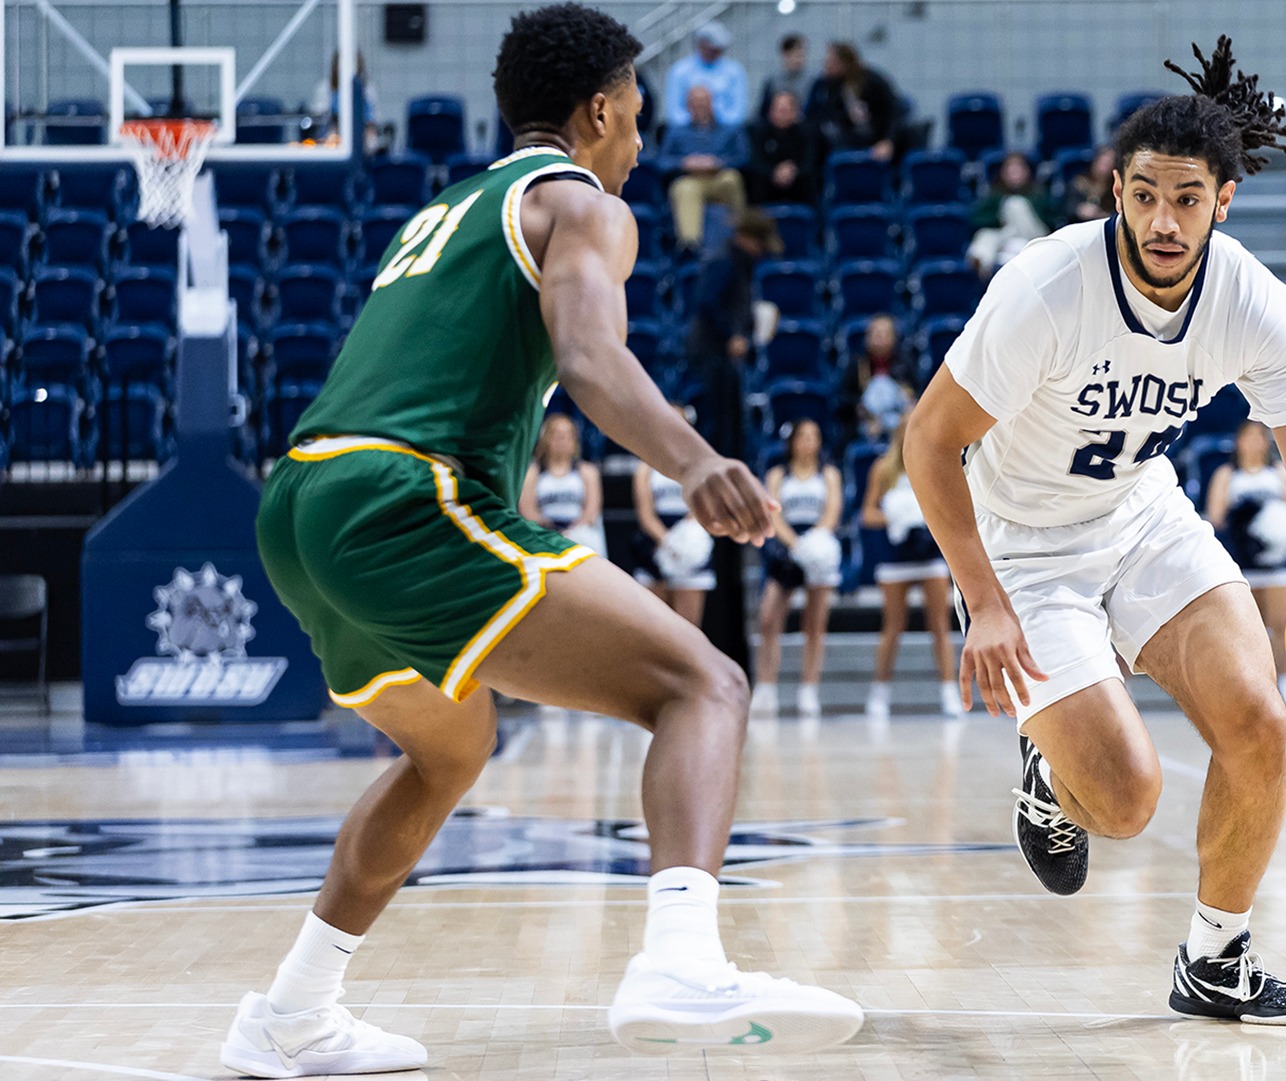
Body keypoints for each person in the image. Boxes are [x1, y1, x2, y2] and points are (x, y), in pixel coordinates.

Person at [226, 7, 862, 1074]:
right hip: (403, 492)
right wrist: (694, 459)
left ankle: (292, 1009)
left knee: (449, 751)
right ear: (601, 109)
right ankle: (680, 959)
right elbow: (589, 358)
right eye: (639, 119)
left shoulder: (447, 208)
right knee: (701, 684)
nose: (643, 145)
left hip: (300, 504)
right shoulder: (582, 203)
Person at [904, 36, 1286, 1025]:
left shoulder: (1255, 303)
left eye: (1186, 198)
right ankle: (1051, 772)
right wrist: (985, 600)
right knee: (1125, 803)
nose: (1163, 219)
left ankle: (1215, 961)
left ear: (1224, 200)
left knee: (1259, 721)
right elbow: (927, 442)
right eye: (1144, 194)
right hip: (1027, 547)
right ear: (1117, 190)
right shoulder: (1047, 288)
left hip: (1143, 517)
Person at [861, 409, 963, 720]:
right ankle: (879, 694)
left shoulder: (935, 464)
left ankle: (949, 693)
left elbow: (953, 507)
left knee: (940, 626)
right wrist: (896, 519)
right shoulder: (883, 469)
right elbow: (867, 514)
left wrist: (925, 522)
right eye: (905, 430)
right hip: (895, 557)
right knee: (893, 625)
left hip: (930, 554)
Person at [1204, 420, 1286, 713]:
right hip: (1242, 561)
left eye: (1258, 437)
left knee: (1280, 625)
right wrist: (1243, 520)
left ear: (1266, 442)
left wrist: (1269, 519)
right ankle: (1253, 689)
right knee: (1247, 630)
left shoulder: (1277, 473)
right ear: (1238, 442)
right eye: (1247, 437)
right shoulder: (1227, 474)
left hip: (1277, 561)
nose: (1253, 442)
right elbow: (1216, 515)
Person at [750, 419, 843, 722]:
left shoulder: (828, 474)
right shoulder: (778, 475)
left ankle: (808, 690)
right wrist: (795, 545)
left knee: (814, 625)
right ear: (791, 442)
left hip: (818, 549)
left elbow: (832, 512)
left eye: (814, 436)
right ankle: (765, 688)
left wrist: (814, 543)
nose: (808, 442)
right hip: (788, 551)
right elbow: (773, 516)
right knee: (767, 620)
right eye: (802, 436)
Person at [685, 210, 781, 455]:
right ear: (748, 239)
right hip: (712, 352)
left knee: (733, 423)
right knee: (720, 422)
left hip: (724, 355)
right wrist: (731, 335)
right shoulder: (724, 262)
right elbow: (707, 301)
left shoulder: (739, 264)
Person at [632, 455, 717, 625]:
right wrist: (668, 542)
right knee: (654, 627)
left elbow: (703, 506)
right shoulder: (645, 468)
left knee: (688, 627)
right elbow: (645, 514)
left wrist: (684, 542)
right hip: (655, 544)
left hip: (689, 542)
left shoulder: (698, 464)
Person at [661, 85, 748, 251]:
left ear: (712, 102)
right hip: (690, 180)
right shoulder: (675, 133)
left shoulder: (731, 131)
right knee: (684, 188)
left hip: (720, 179)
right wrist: (684, 163)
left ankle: (741, 235)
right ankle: (689, 246)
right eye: (695, 102)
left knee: (732, 178)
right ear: (688, 105)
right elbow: (662, 162)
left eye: (704, 101)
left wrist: (718, 163)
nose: (700, 105)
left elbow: (744, 159)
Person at [519, 413, 605, 556]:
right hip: (545, 531)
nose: (561, 440)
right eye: (556, 435)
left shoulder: (587, 471)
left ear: (574, 440)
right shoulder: (532, 473)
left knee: (586, 539)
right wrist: (554, 530)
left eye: (566, 435)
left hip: (579, 531)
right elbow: (528, 512)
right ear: (545, 439)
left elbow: (592, 511)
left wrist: (571, 531)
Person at [966, 150, 1058, 279]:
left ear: (1026, 171)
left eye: (1018, 169)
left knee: (1015, 204)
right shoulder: (995, 194)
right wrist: (1000, 217)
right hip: (1005, 236)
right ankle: (982, 265)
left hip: (1033, 237)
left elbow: (1051, 220)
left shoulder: (1038, 194)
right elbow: (979, 219)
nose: (1014, 174)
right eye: (1010, 170)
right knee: (985, 236)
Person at [806, 41, 898, 162]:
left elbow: (894, 112)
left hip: (877, 136)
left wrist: (888, 140)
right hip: (847, 137)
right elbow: (822, 114)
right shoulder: (827, 85)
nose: (826, 66)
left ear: (844, 64)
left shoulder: (873, 81)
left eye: (831, 62)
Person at [663, 21, 749, 129]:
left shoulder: (735, 71)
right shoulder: (679, 70)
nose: (713, 51)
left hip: (724, 131)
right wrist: (695, 119)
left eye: (718, 48)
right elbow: (674, 113)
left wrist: (715, 117)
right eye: (710, 47)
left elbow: (738, 114)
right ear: (700, 44)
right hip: (686, 130)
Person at [745, 89, 820, 205]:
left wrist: (793, 171)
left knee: (810, 182)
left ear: (795, 113)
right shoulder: (759, 132)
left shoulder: (806, 132)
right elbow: (755, 162)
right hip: (768, 183)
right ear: (770, 112)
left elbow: (809, 161)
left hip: (798, 182)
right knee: (755, 181)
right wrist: (774, 172)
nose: (782, 115)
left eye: (786, 111)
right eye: (779, 110)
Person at [307, 49, 379, 152]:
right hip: (331, 136)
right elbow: (319, 118)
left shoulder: (367, 89)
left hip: (361, 136)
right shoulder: (325, 88)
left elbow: (372, 119)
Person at [758, 34, 810, 120]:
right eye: (795, 55)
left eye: (802, 55)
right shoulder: (773, 81)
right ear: (785, 55)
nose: (798, 60)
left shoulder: (813, 80)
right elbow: (763, 112)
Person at [1068, 145, 1120, 222]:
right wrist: (1079, 210)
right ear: (1095, 162)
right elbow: (1067, 208)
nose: (1104, 168)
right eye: (1102, 163)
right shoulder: (1079, 183)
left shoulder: (1116, 189)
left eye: (1109, 163)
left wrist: (1100, 214)